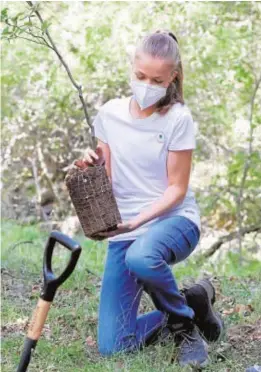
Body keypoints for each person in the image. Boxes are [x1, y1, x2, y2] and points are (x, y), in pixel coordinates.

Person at [74, 29, 223, 368]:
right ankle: (192, 305)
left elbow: (177, 189)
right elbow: (107, 178)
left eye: (156, 80)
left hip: (174, 221)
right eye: (141, 76)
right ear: (132, 67)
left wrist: (139, 221)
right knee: (115, 345)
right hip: (126, 230)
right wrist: (89, 168)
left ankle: (184, 328)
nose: (146, 85)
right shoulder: (109, 115)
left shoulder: (178, 119)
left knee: (141, 256)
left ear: (173, 76)